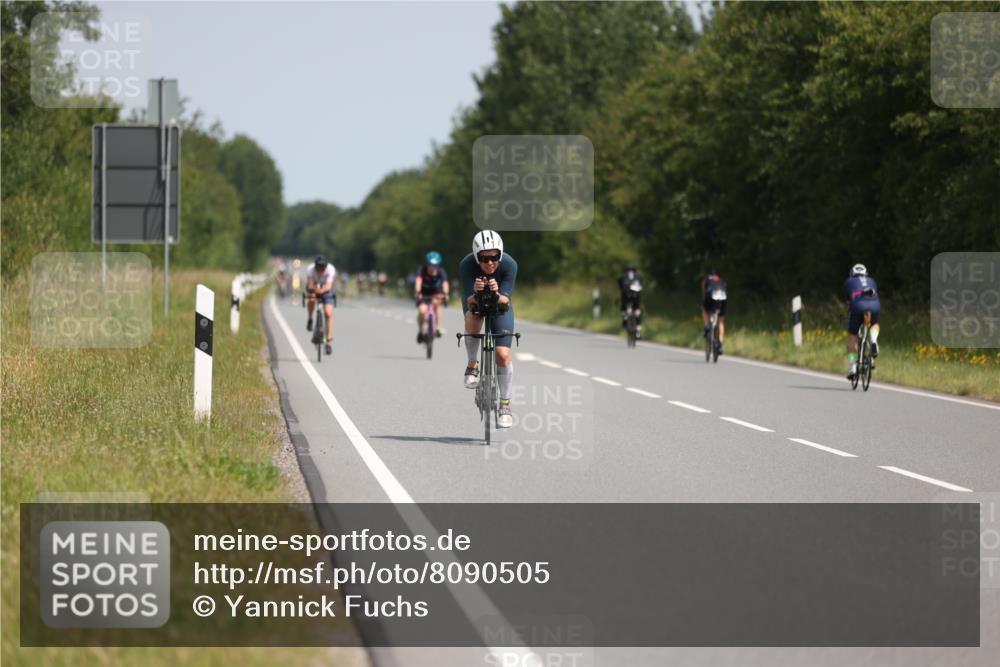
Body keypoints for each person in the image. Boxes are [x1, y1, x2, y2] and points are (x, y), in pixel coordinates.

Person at [460, 230, 518, 429]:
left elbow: (506, 300)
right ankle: (472, 364)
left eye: (494, 257)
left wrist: (496, 292)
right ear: (477, 258)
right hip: (475, 301)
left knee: (503, 355)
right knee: (472, 318)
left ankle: (505, 406)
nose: (490, 263)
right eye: (484, 259)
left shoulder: (510, 264)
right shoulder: (467, 265)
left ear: (500, 255)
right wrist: (476, 292)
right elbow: (469, 300)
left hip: (500, 303)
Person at [843, 263, 881, 380]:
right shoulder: (872, 280)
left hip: (858, 305)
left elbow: (848, 300)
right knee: (874, 324)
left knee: (852, 336)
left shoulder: (849, 281)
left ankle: (853, 366)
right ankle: (873, 340)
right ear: (866, 274)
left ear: (852, 274)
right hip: (874, 304)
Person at [414, 251, 450, 343]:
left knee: (436, 304)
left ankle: (437, 327)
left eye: (435, 265)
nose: (432, 267)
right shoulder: (422, 270)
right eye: (430, 265)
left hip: (436, 292)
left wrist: (446, 294)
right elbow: (418, 281)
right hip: (424, 293)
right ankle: (420, 332)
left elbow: (445, 283)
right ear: (427, 264)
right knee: (422, 311)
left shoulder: (441, 272)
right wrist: (418, 291)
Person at [305, 255, 336, 355]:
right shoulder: (310, 269)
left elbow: (328, 286)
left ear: (326, 267)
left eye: (322, 268)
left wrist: (321, 290)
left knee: (328, 312)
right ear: (315, 266)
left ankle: (328, 341)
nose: (320, 270)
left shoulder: (331, 270)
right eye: (318, 268)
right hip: (314, 287)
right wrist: (314, 291)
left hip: (326, 290)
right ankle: (310, 318)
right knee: (312, 299)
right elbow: (310, 284)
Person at [701, 269, 728, 355]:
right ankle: (720, 343)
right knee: (721, 321)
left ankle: (706, 326)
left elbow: (704, 291)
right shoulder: (721, 280)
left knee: (704, 309)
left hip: (711, 295)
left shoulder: (706, 279)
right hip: (722, 296)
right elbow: (725, 288)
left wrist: (704, 300)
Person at [617, 264, 644, 340]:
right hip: (636, 298)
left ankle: (625, 317)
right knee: (637, 312)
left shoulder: (622, 277)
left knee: (623, 308)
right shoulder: (638, 276)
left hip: (625, 298)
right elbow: (641, 286)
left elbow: (620, 287)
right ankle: (638, 332)